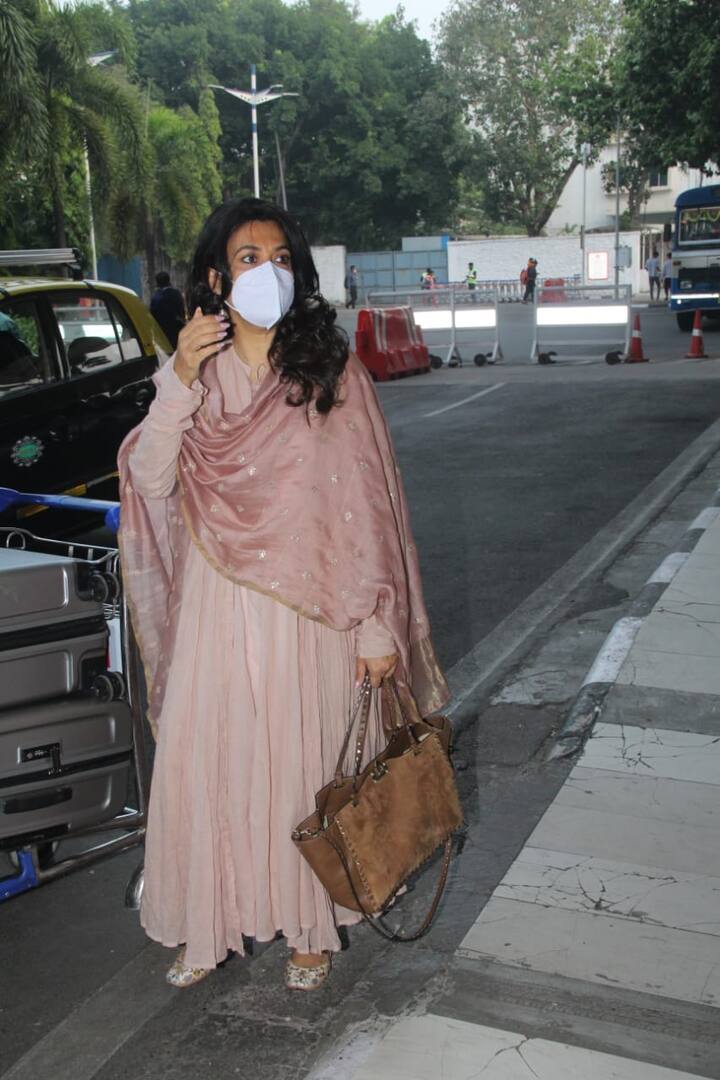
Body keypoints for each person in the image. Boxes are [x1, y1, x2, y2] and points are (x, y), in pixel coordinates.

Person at [118, 198, 448, 993]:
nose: (266, 271)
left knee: (303, 769)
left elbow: (366, 510)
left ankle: (309, 929)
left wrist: (377, 627)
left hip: (313, 616)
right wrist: (179, 378)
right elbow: (150, 480)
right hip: (216, 614)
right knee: (209, 767)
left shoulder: (331, 375)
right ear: (215, 279)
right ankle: (207, 923)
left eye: (279, 258)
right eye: (247, 258)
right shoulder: (194, 378)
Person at [150, 271, 186, 349]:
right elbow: (181, 312)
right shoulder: (176, 294)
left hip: (162, 333)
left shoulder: (156, 297)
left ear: (158, 283)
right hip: (177, 330)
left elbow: (153, 316)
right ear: (168, 281)